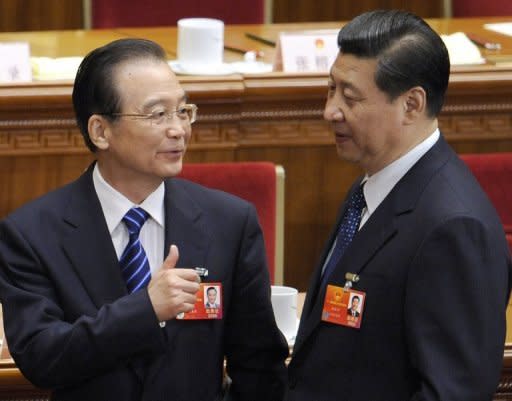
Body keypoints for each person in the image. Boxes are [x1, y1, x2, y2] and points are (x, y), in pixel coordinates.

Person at [0, 38, 288, 401]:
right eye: (157, 114)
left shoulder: (229, 222)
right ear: (100, 131)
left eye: (183, 111)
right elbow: (41, 358)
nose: (178, 129)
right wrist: (145, 310)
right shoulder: (31, 233)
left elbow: (259, 366)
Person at [287, 10, 511, 401]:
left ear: (411, 104)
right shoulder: (373, 186)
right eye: (331, 89)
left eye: (350, 97)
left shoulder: (454, 227)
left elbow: (451, 392)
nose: (330, 111)